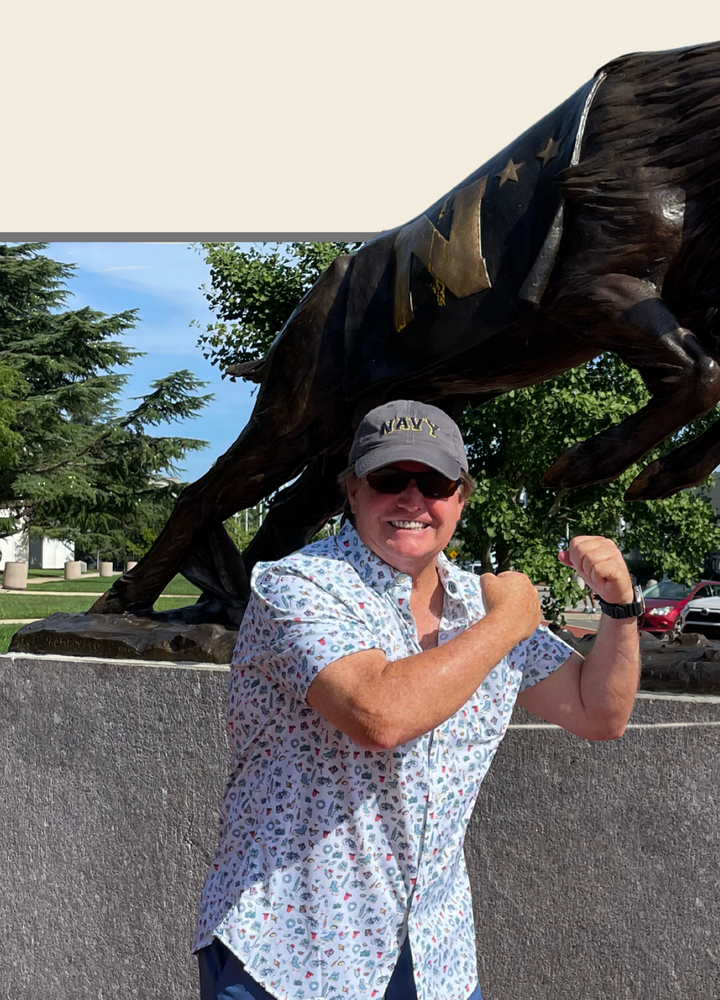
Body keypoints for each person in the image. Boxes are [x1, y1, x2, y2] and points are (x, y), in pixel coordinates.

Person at [193, 400, 642, 1000]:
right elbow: (378, 715)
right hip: (289, 952)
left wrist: (618, 607)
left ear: (460, 497)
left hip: (434, 957)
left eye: (433, 481)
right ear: (352, 492)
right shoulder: (296, 585)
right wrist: (509, 622)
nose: (412, 499)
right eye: (388, 479)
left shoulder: (478, 604)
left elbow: (599, 712)